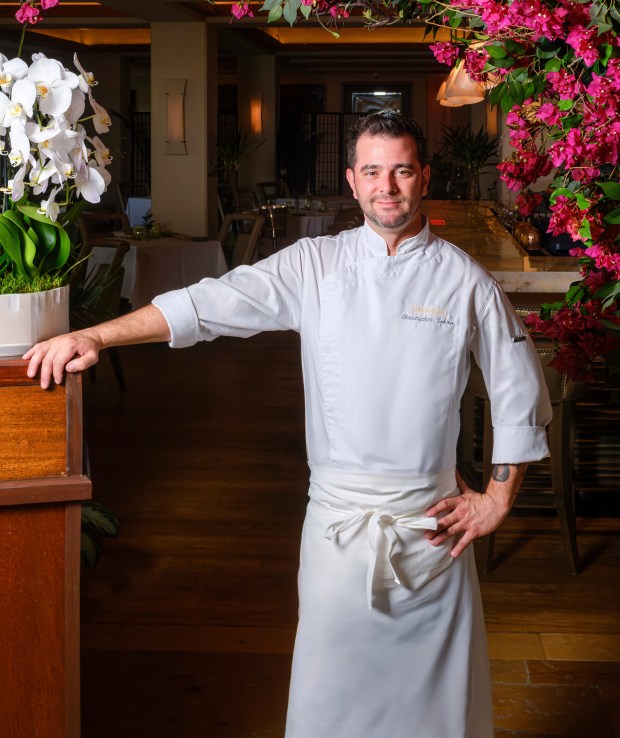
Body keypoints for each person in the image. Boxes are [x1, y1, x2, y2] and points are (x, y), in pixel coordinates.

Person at [25, 110, 552, 738]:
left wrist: (497, 498)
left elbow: (519, 388)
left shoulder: (466, 280)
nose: (388, 186)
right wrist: (96, 335)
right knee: (330, 700)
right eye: (374, 172)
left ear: (424, 178)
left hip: (430, 530)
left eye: (402, 170)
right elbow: (208, 304)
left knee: (434, 710)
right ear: (353, 182)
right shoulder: (315, 266)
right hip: (335, 527)